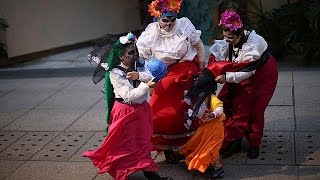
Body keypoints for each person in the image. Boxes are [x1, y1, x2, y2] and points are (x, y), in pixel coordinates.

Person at [83, 32, 172, 180]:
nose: (135, 55)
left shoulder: (138, 65)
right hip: (125, 112)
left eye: (135, 51)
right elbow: (128, 95)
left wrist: (140, 76)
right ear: (121, 56)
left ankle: (152, 175)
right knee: (125, 145)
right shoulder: (115, 73)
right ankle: (123, 172)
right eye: (131, 52)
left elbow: (151, 77)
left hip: (141, 110)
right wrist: (146, 86)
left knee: (143, 143)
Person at [136, 0, 206, 163]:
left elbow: (200, 46)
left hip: (184, 72)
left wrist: (202, 68)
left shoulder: (184, 26)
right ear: (157, 18)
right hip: (160, 75)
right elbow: (143, 59)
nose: (169, 24)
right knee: (157, 111)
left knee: (182, 111)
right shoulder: (149, 34)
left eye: (172, 20)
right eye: (165, 20)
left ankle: (188, 146)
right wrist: (148, 83)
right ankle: (166, 147)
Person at [206, 9, 278, 159]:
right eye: (225, 37)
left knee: (254, 112)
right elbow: (221, 57)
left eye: (231, 37)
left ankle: (254, 144)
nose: (227, 40)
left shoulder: (253, 46)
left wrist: (225, 78)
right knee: (225, 102)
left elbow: (246, 72)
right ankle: (234, 139)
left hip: (261, 79)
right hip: (238, 72)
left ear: (240, 34)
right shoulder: (231, 40)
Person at [179, 73, 225, 179]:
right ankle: (197, 159)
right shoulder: (198, 98)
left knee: (211, 149)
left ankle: (218, 169)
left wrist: (213, 114)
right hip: (205, 128)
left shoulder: (211, 98)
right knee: (197, 144)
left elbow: (219, 108)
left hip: (215, 129)